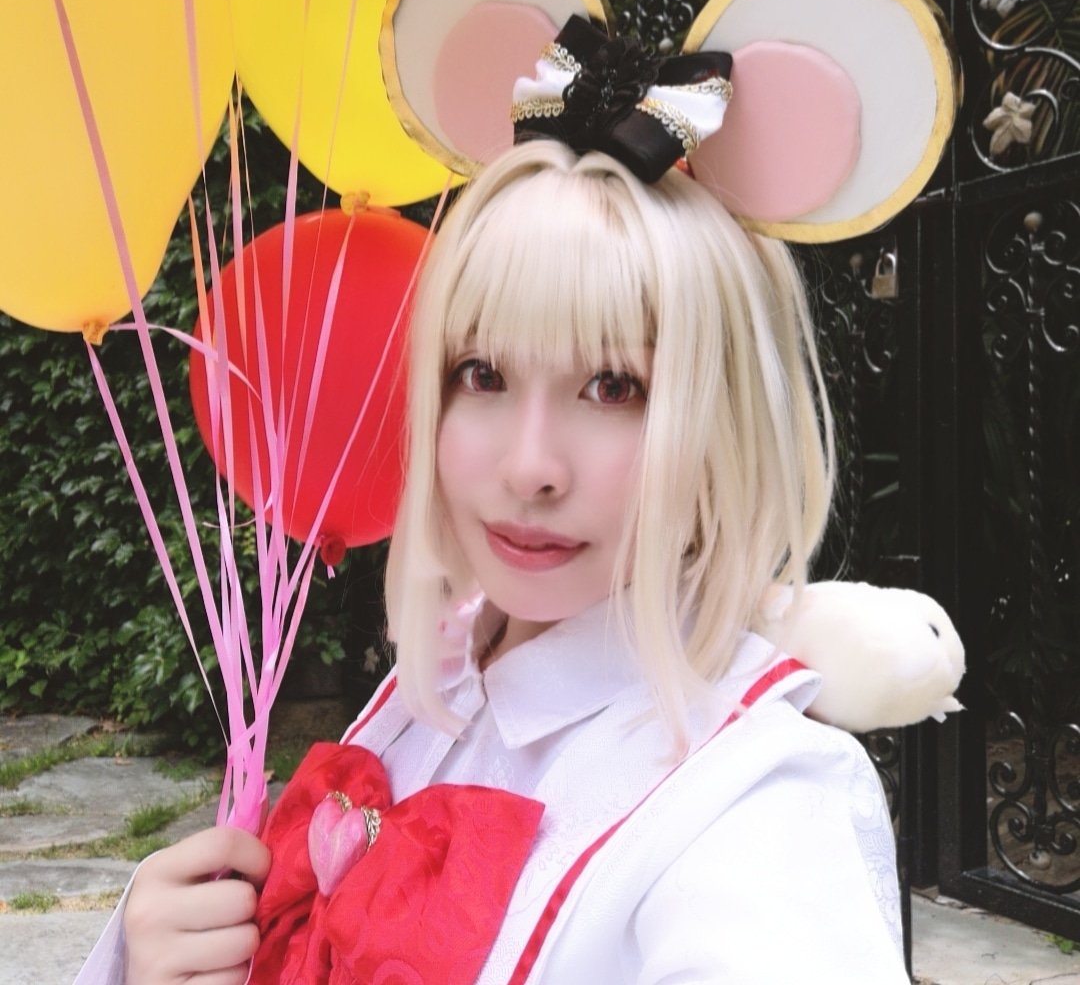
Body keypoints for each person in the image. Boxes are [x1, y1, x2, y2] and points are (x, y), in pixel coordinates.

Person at [76, 134, 909, 983]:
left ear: (719, 420)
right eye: (481, 374)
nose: (529, 467)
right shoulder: (437, 680)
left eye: (614, 387)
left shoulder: (758, 804)